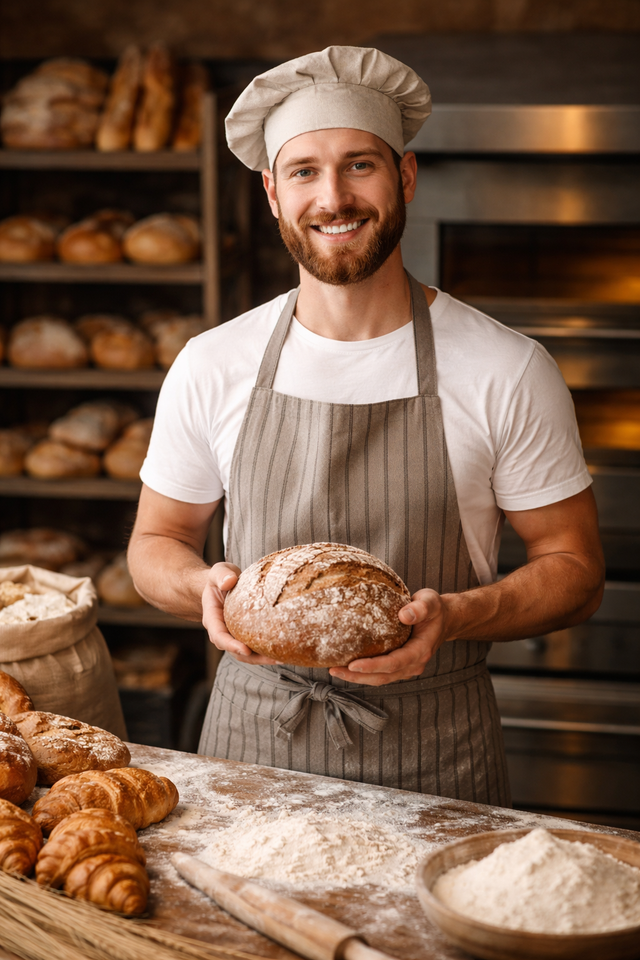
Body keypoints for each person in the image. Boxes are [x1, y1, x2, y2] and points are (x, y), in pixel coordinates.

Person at [128, 46, 604, 806]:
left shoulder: (505, 367)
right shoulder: (212, 362)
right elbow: (155, 543)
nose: (334, 198)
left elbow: (575, 570)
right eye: (305, 171)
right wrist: (202, 587)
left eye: (360, 165)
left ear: (405, 178)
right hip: (253, 751)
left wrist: (457, 616)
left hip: (437, 760)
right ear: (273, 195)